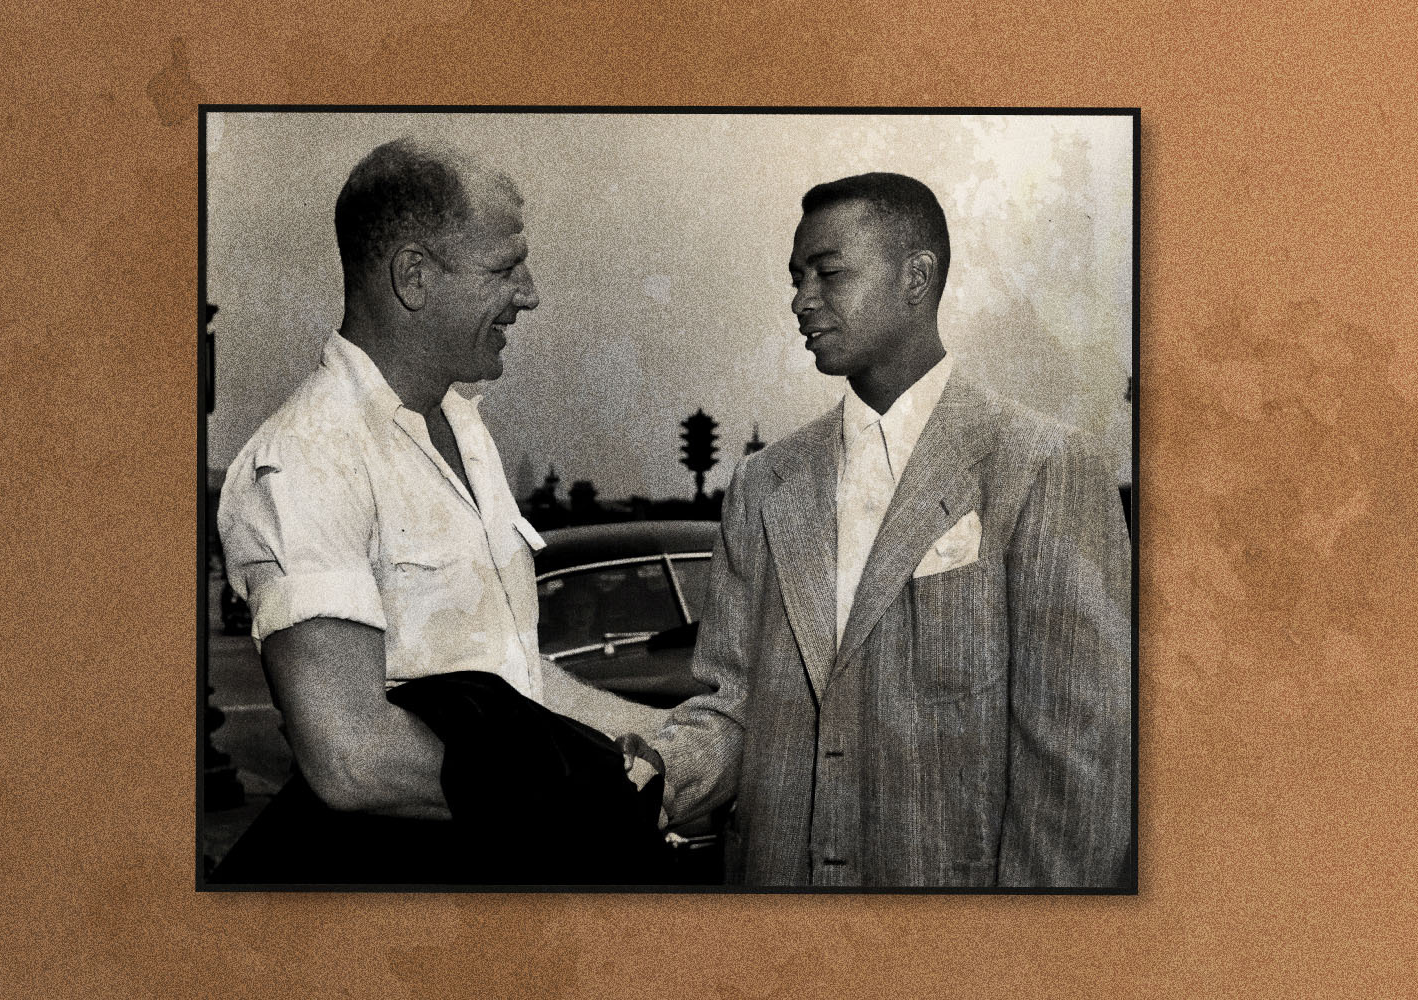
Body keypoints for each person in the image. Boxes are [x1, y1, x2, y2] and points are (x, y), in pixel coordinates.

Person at [626, 172, 1132, 887]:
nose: (801, 301)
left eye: (829, 274)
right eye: (797, 277)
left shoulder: (1046, 466)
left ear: (916, 277)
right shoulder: (762, 483)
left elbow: (1079, 766)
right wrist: (652, 774)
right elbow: (732, 706)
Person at [215, 138, 664, 883]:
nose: (530, 293)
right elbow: (351, 758)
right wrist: (598, 794)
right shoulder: (308, 457)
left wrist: (673, 738)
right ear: (414, 277)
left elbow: (516, 680)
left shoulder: (462, 424)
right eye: (504, 268)